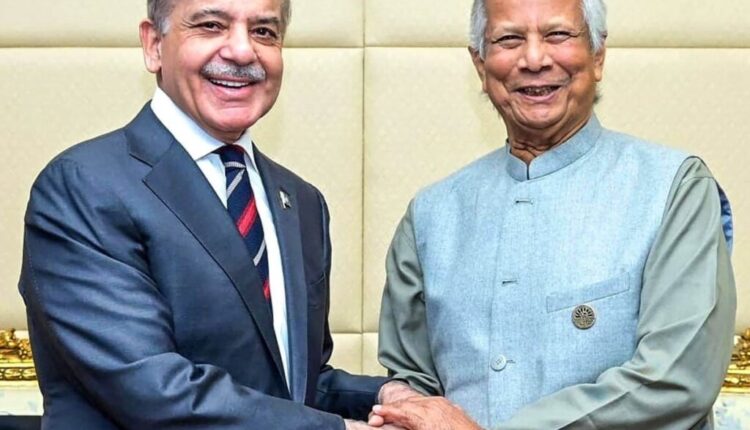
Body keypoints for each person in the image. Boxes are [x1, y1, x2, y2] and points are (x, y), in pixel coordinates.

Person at [18, 0, 409, 428]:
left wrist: (391, 396)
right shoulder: (85, 186)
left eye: (264, 31)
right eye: (210, 25)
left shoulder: (301, 202)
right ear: (153, 45)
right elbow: (153, 390)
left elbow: (293, 387)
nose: (242, 51)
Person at [370, 0, 736, 429]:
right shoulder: (431, 215)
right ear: (480, 65)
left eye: (558, 35)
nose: (534, 58)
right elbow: (412, 386)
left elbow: (676, 379)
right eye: (509, 39)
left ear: (598, 55)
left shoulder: (674, 187)